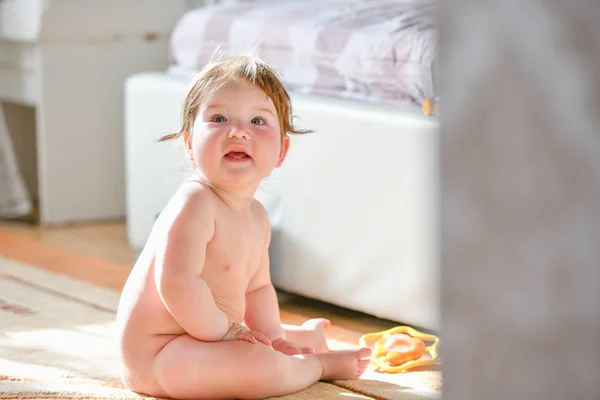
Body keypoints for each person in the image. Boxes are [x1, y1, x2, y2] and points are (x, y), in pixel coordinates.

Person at [116, 55, 372, 400]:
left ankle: (298, 338)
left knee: (262, 348)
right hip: (161, 355)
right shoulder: (195, 203)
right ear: (190, 143)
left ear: (281, 151)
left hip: (208, 340)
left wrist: (272, 338)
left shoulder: (257, 216)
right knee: (256, 364)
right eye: (219, 118)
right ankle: (320, 365)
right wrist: (226, 334)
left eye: (258, 120)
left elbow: (257, 289)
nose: (238, 131)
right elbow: (177, 284)